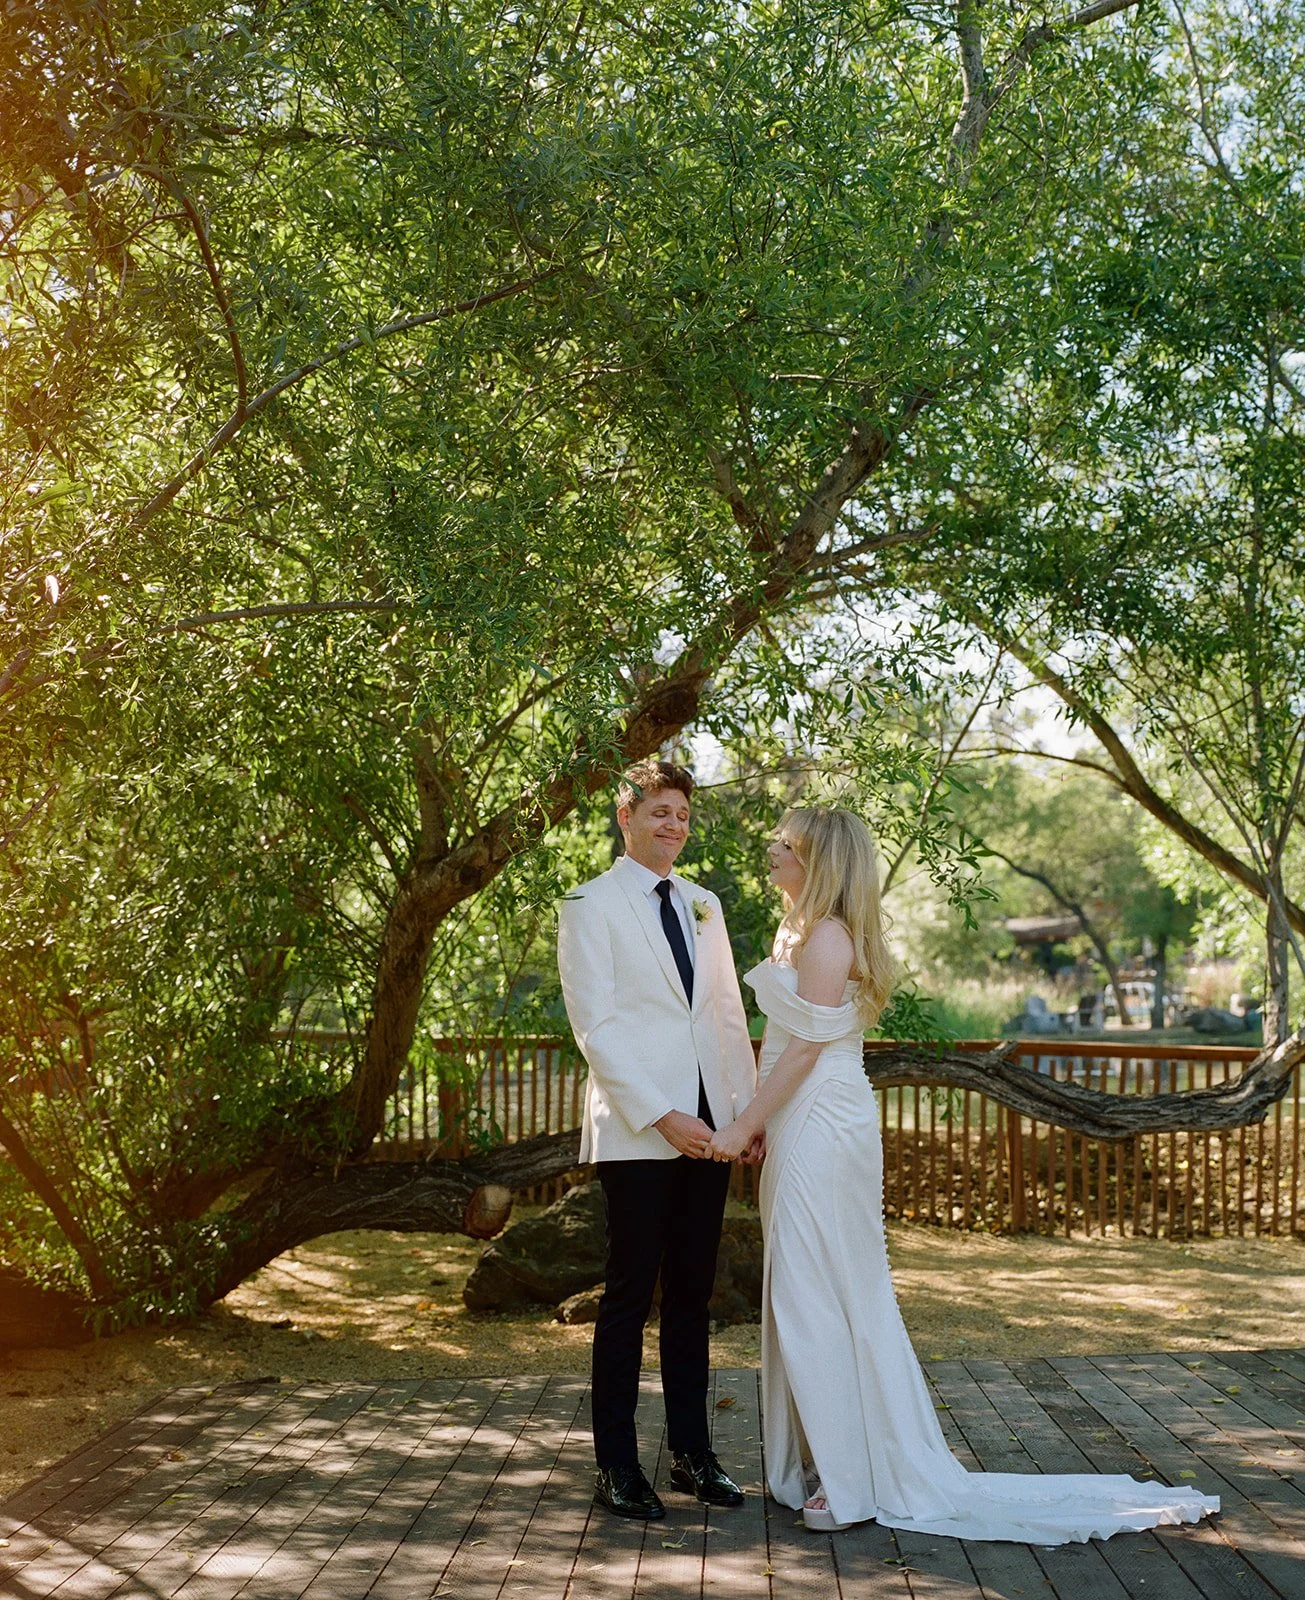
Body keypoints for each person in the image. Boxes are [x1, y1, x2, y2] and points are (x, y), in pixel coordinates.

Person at [705, 806, 1221, 1543]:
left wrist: (743, 1123)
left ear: (819, 860)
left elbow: (806, 1052)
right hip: (795, 1118)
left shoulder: (825, 938)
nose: (768, 849)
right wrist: (759, 1120)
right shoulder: (795, 929)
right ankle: (830, 1461)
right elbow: (778, 1044)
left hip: (822, 1119)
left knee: (820, 1292)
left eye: (782, 843)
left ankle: (851, 1482)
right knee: (805, 1287)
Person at [557, 760, 761, 1521]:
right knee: (627, 1295)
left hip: (711, 1131)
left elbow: (724, 1019)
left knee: (691, 1296)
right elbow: (595, 1029)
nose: (673, 825)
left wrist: (744, 1116)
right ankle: (615, 1464)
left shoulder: (705, 904)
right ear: (626, 815)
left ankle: (691, 1455)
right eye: (659, 812)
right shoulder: (589, 904)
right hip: (640, 1131)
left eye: (681, 813)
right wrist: (660, 1113)